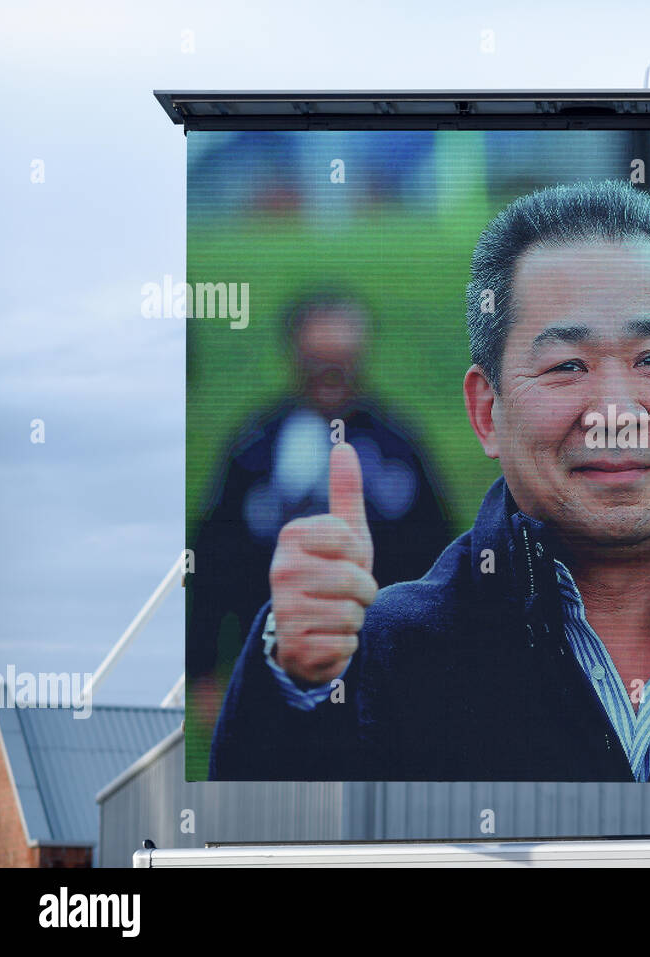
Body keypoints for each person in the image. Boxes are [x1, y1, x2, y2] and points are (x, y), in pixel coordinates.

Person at [209, 181, 650, 782]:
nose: (613, 413)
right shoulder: (381, 656)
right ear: (486, 410)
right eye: (566, 366)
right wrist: (295, 677)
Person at [186, 291, 453, 734]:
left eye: (342, 358)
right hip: (275, 664)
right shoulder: (254, 446)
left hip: (383, 670)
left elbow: (440, 555)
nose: (330, 371)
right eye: (317, 358)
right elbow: (213, 557)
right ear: (294, 354)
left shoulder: (399, 446)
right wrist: (203, 670)